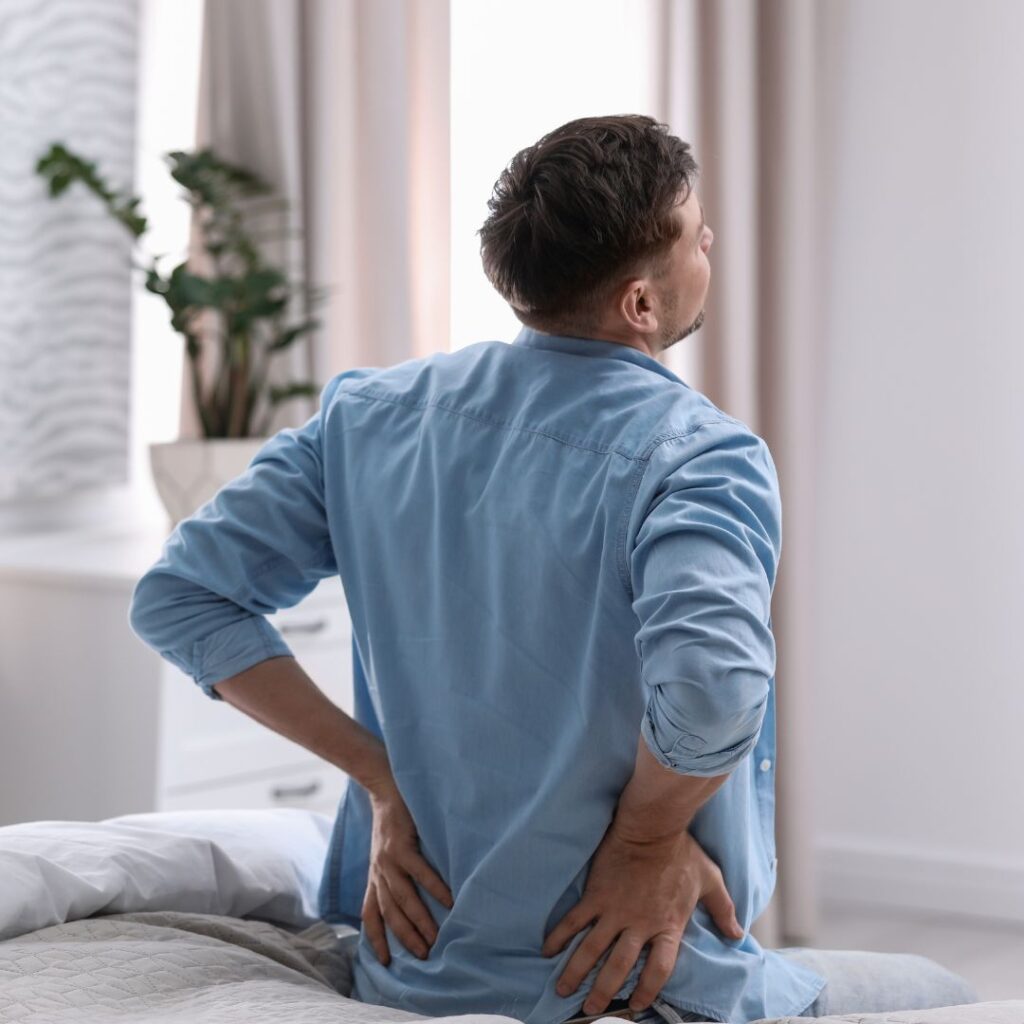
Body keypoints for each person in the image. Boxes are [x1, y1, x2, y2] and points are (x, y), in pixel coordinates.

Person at [128, 114, 978, 1024]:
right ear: (641, 305)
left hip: (413, 973)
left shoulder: (366, 418)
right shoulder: (699, 457)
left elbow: (181, 596)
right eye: (696, 234)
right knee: (946, 991)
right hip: (636, 980)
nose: (712, 244)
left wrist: (381, 775)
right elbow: (714, 689)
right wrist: (647, 842)